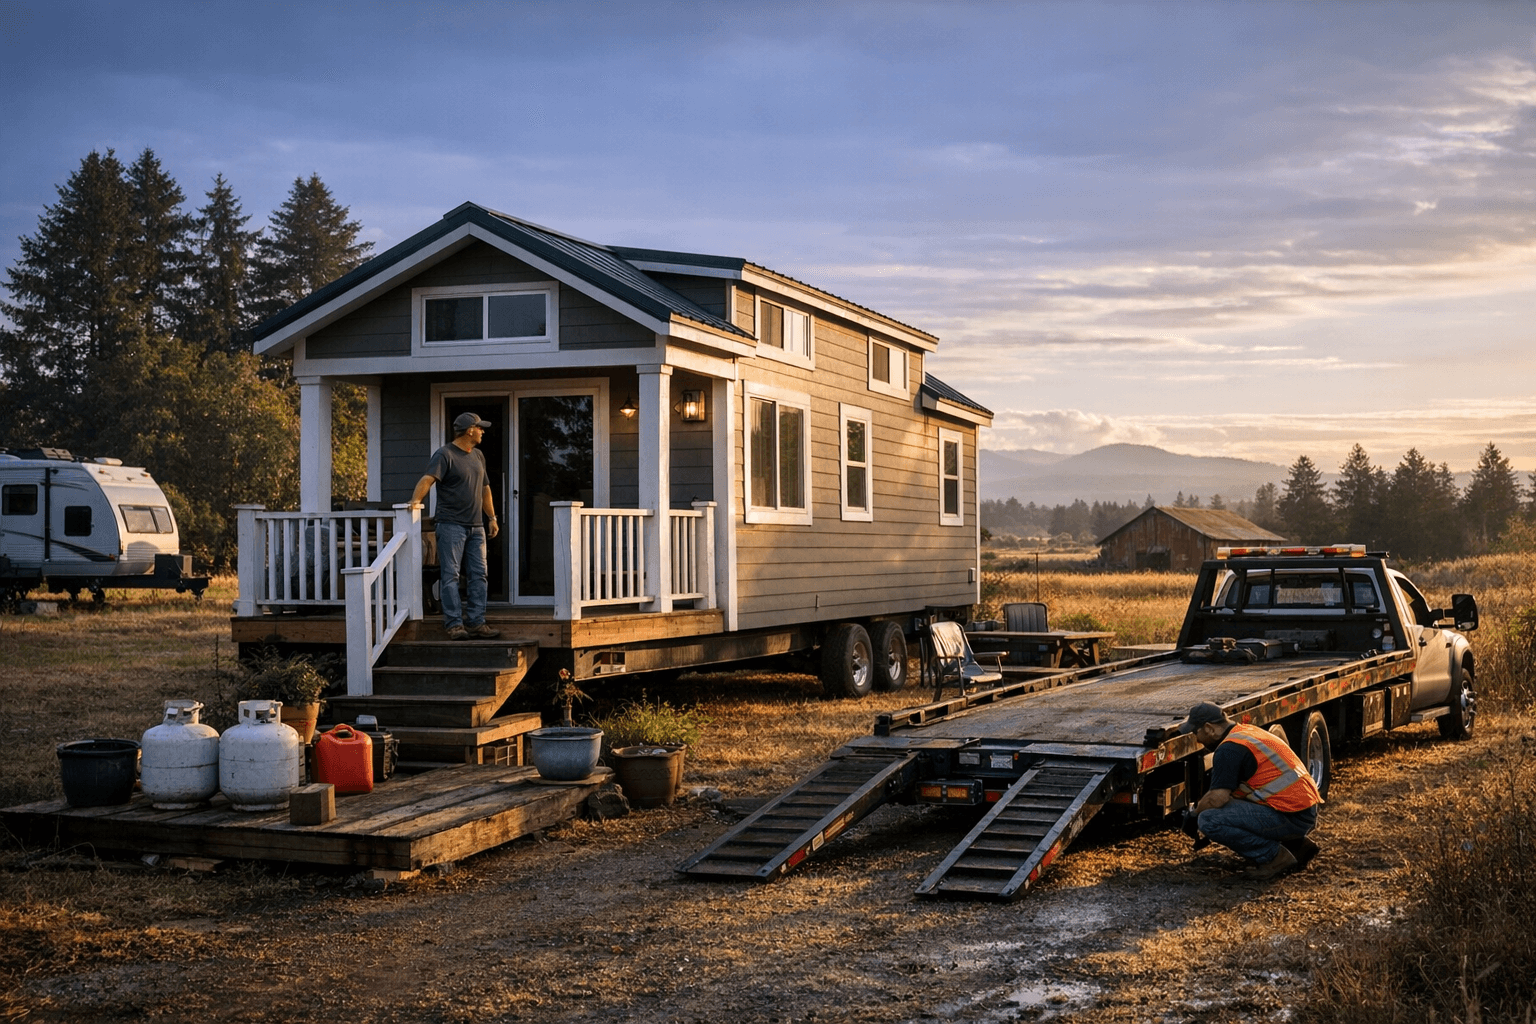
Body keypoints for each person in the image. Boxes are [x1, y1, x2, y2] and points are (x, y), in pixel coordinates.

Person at [1181, 702, 1322, 880]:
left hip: (1292, 816)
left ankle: (1274, 858)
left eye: (1196, 732)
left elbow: (1217, 798)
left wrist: (1194, 815)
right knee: (1225, 807)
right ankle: (1296, 846)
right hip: (1303, 811)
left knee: (1208, 820)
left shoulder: (1228, 750)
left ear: (1209, 728)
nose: (1197, 739)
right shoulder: (1246, 733)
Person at [412, 412, 501, 641]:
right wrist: (414, 503)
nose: (482, 432)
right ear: (469, 430)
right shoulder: (445, 454)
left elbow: (485, 489)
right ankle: (454, 625)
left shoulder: (478, 455)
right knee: (450, 576)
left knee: (479, 575)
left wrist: (491, 517)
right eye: (479, 428)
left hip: (476, 527)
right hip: (451, 525)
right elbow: (428, 479)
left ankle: (477, 622)